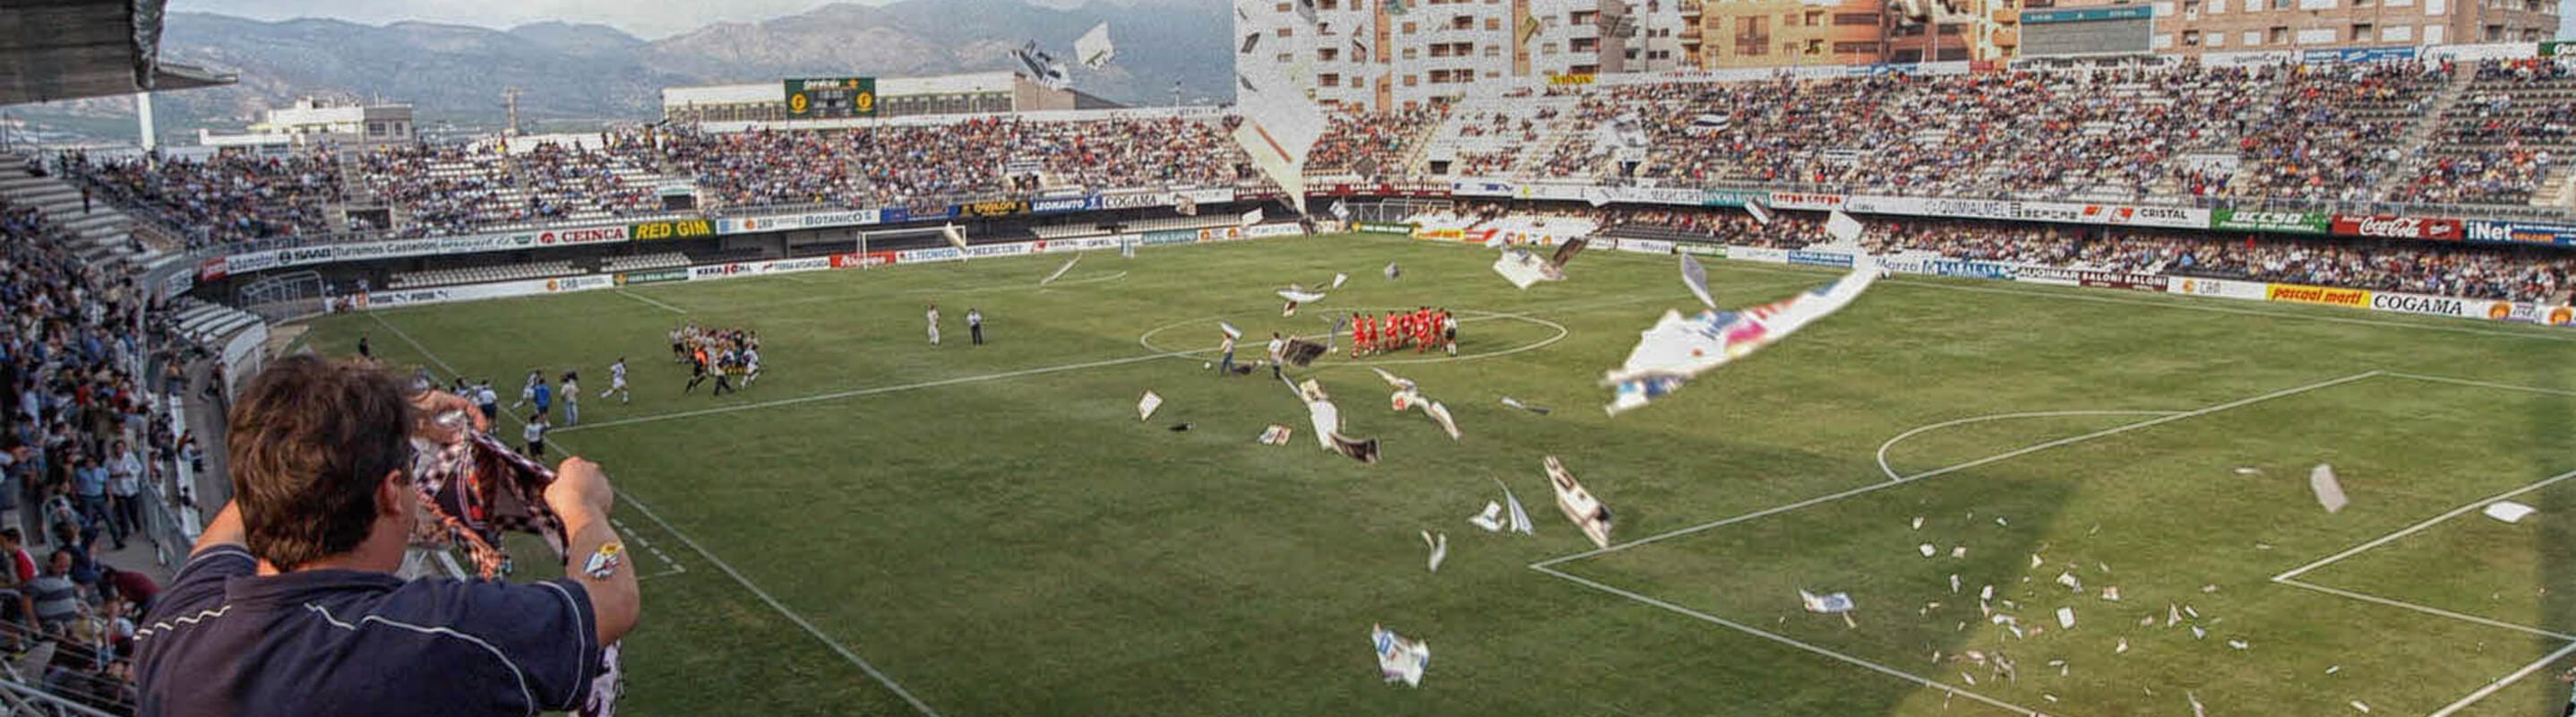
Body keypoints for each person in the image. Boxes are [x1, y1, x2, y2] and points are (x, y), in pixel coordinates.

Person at [133, 355, 639, 715]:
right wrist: (584, 509)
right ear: (392, 493)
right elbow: (609, 598)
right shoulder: (432, 635)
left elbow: (238, 514)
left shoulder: (176, 627)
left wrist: (361, 421)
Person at [25, 549, 78, 632]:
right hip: (53, 625)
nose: (64, 570)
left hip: (72, 622)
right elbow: (26, 600)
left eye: (67, 566)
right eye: (60, 566)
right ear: (51, 563)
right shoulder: (39, 582)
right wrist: (33, 622)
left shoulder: (66, 579)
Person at [107, 440, 142, 546]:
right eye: (117, 448)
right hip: (118, 490)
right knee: (122, 512)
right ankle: (124, 531)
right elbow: (106, 473)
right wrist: (114, 475)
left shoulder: (129, 457)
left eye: (121, 448)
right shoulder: (110, 460)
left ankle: (136, 524)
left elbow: (138, 468)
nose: (119, 450)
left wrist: (129, 472)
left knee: (133, 510)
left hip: (131, 488)